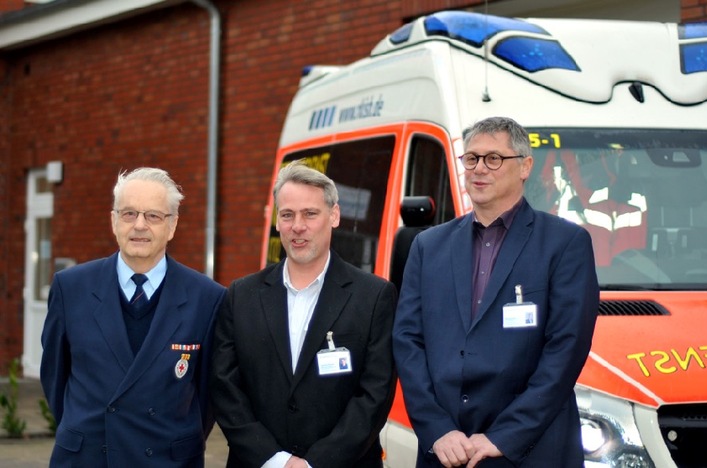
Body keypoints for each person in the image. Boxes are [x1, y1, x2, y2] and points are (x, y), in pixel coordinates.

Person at [393, 117, 599, 468]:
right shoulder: (428, 246)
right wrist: (437, 429)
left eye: (493, 159)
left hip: (529, 450)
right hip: (445, 449)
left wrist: (505, 435)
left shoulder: (565, 243)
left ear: (525, 166)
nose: (479, 169)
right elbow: (407, 339)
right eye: (471, 159)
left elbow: (566, 349)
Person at [210, 160, 398, 467]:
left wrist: (315, 464)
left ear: (334, 215)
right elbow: (225, 387)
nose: (298, 226)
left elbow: (374, 395)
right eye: (287, 215)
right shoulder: (241, 296)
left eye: (310, 213)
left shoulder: (374, 296)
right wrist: (276, 460)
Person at [40, 167, 226, 467]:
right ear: (114, 221)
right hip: (88, 459)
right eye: (128, 214)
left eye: (153, 216)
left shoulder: (208, 298)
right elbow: (54, 377)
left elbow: (208, 397)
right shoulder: (70, 288)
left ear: (173, 225)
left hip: (167, 460)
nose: (139, 225)